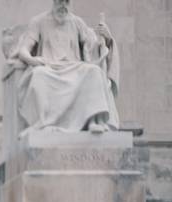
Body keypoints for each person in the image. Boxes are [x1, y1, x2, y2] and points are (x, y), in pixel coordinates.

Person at [12, 0, 119, 134]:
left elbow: (93, 47)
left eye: (66, 2)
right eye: (60, 1)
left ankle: (93, 121)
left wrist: (107, 39)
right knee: (38, 75)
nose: (63, 5)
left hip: (74, 68)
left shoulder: (77, 22)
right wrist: (32, 60)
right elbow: (23, 50)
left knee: (93, 71)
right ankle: (42, 122)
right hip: (49, 68)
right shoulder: (39, 21)